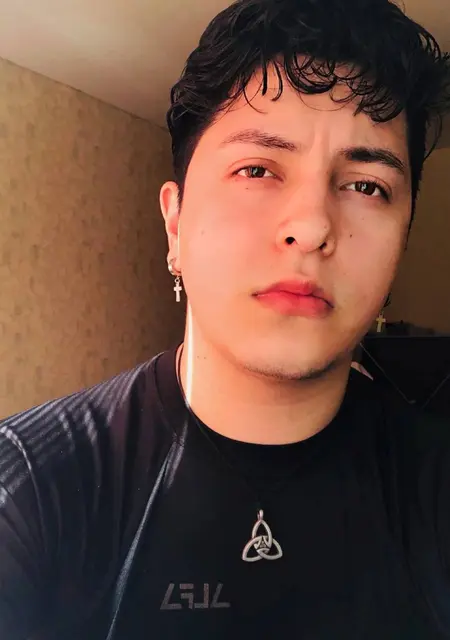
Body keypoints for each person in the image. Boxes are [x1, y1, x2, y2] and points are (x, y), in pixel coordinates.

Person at [1, 0, 450, 637]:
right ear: (175, 224)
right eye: (257, 169)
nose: (312, 227)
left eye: (366, 186)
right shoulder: (26, 484)